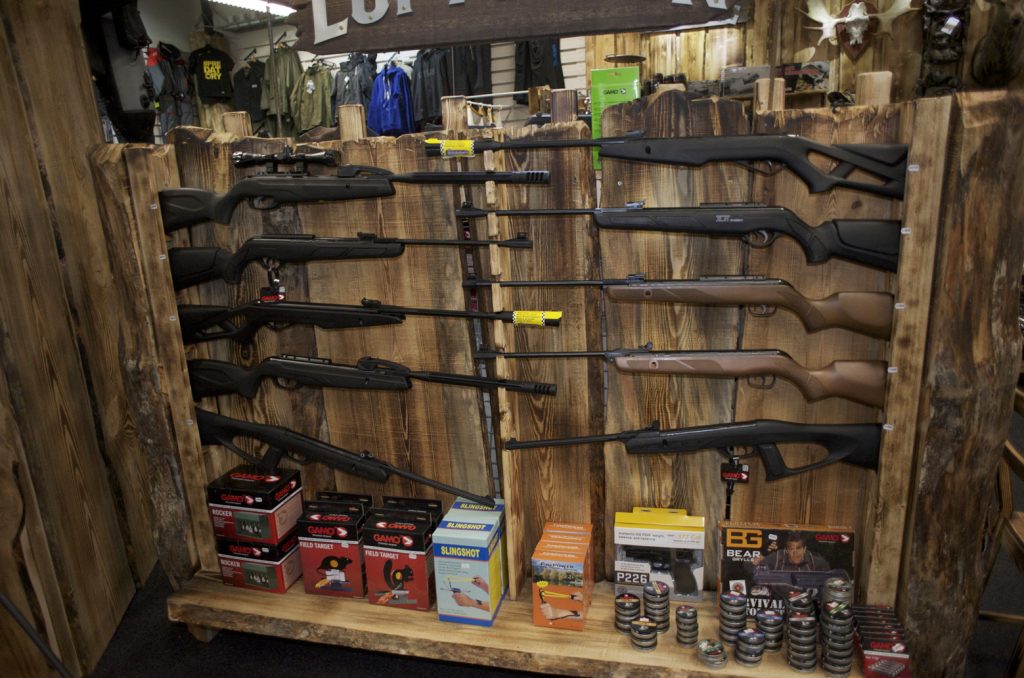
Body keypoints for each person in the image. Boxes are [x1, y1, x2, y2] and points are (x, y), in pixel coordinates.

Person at [751, 532, 830, 571]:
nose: (795, 553)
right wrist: (755, 563)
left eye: (798, 548)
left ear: (804, 549)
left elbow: (830, 575)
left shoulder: (815, 560)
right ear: (787, 550)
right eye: (792, 549)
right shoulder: (777, 557)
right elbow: (750, 568)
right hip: (781, 596)